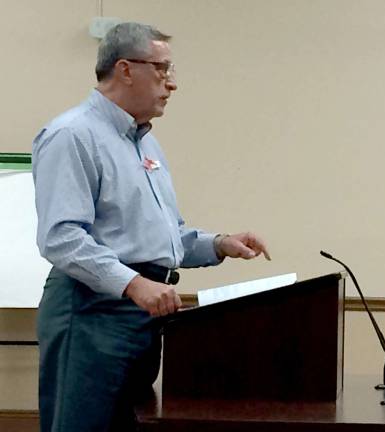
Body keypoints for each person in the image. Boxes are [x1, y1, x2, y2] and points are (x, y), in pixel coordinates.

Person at [32, 22, 270, 432]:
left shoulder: (144, 143)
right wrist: (134, 284)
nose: (171, 84)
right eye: (162, 69)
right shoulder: (73, 135)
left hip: (145, 315)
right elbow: (62, 236)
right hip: (93, 313)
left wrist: (218, 245)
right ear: (125, 69)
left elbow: (160, 238)